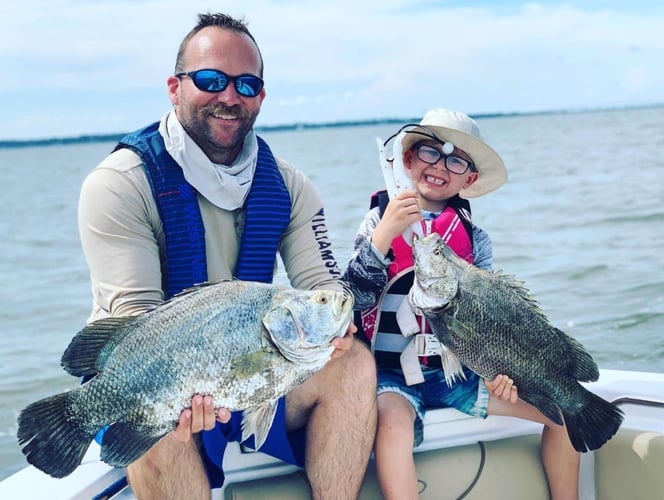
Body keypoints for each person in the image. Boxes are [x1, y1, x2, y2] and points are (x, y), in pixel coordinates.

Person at [77, 12, 377, 499]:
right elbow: (131, 320)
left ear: (261, 96)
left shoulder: (291, 186)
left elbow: (323, 284)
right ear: (175, 88)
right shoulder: (119, 184)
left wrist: (335, 327)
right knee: (150, 416)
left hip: (257, 370)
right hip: (168, 377)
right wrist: (188, 385)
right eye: (210, 80)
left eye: (246, 83)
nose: (229, 96)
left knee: (355, 364)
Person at [343, 108, 581, 500]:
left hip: (461, 377)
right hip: (391, 375)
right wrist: (384, 234)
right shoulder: (376, 223)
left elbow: (491, 322)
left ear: (469, 179)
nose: (440, 166)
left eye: (456, 160)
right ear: (407, 159)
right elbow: (354, 297)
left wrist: (496, 373)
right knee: (391, 428)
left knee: (566, 417)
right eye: (429, 153)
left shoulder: (476, 241)